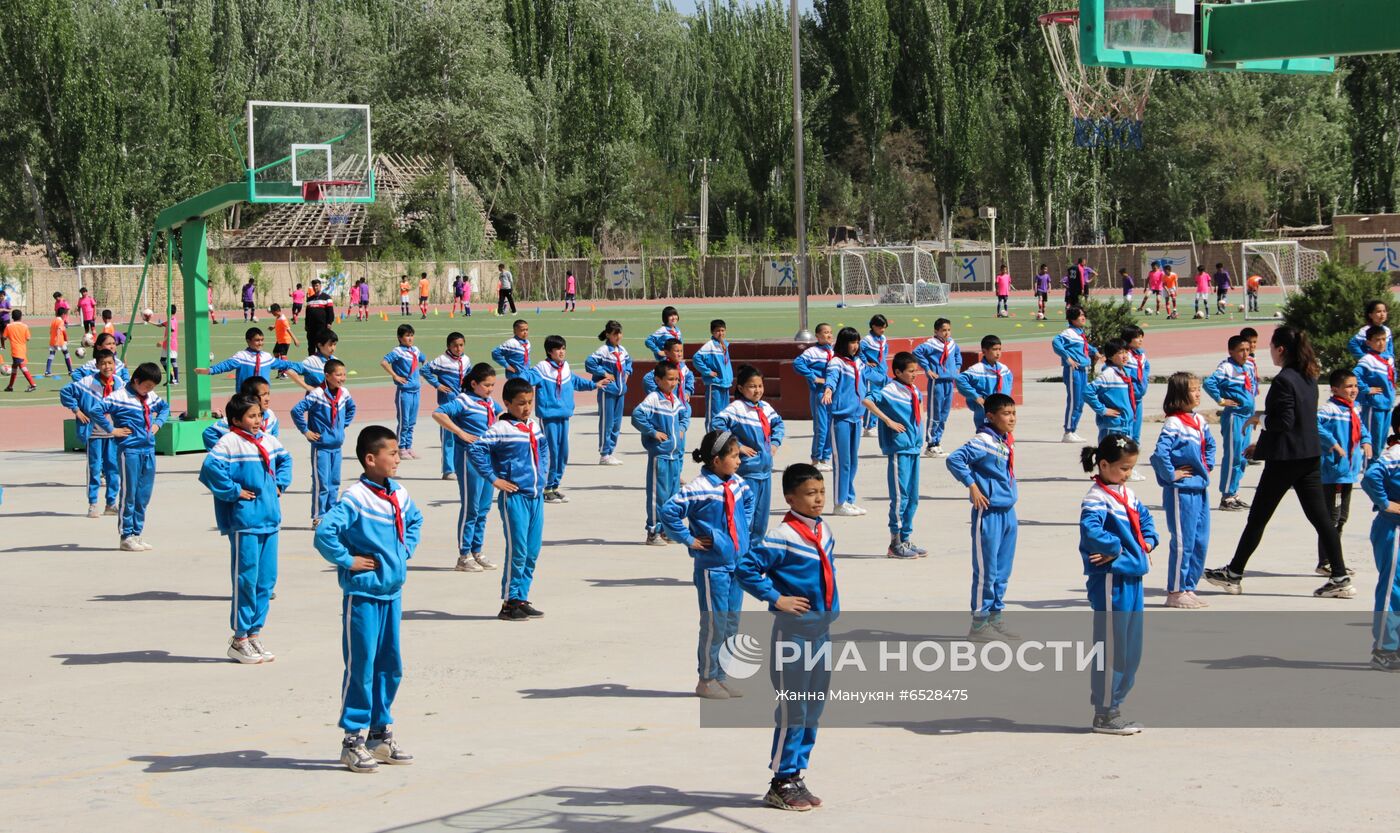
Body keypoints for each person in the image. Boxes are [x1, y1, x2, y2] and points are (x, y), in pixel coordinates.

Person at [1204, 327, 1358, 599]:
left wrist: (1260, 420)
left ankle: (1234, 574)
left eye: (1272, 347)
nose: (1269, 352)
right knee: (1322, 520)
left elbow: (1283, 422)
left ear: (1281, 350)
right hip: (1309, 456)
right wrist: (1261, 428)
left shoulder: (1284, 380)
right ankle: (1340, 577)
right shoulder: (1308, 376)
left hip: (1286, 460)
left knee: (1258, 518)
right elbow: (1297, 417)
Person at [314, 425, 422, 773]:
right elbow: (325, 532)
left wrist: (404, 551)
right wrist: (347, 560)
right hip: (362, 595)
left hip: (392, 593)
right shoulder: (356, 497)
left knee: (390, 665)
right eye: (391, 453)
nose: (396, 458)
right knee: (361, 666)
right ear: (370, 459)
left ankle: (379, 735)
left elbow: (416, 519)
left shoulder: (400, 494)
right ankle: (352, 740)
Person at [735, 463, 837, 812]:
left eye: (821, 492)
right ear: (790, 497)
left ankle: (796, 773)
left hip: (821, 632)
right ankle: (779, 780)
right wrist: (775, 598)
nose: (818, 499)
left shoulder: (824, 532)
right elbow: (745, 568)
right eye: (810, 494)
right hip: (794, 636)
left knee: (813, 708)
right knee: (794, 708)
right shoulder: (782, 536)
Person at [200, 392, 292, 665]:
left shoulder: (267, 439)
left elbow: (286, 460)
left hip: (269, 518)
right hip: (245, 521)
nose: (257, 420)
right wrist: (233, 491)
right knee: (246, 578)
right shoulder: (230, 442)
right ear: (236, 419)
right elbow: (210, 469)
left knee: (266, 580)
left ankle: (254, 632)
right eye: (251, 416)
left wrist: (280, 484)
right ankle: (239, 638)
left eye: (259, 415)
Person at [661, 430, 755, 700]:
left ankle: (721, 677)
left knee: (732, 624)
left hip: (737, 565)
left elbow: (749, 501)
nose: (739, 461)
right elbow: (669, 512)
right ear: (716, 460)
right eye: (734, 456)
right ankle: (706, 679)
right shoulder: (698, 487)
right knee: (715, 623)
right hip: (713, 568)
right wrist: (689, 539)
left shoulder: (737, 483)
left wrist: (743, 530)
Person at [1079, 433, 1157, 735]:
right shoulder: (1096, 499)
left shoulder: (1126, 494)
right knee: (1112, 646)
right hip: (1113, 580)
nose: (1128, 474)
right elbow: (1091, 532)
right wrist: (1117, 549)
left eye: (1130, 468)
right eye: (1123, 468)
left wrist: (1147, 543)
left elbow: (1146, 521)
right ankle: (1105, 712)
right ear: (1104, 464)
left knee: (1131, 648)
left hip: (1133, 576)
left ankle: (1117, 704)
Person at [468, 377, 549, 621]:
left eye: (530, 402)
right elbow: (476, 450)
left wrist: (542, 475)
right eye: (521, 403)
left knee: (532, 551)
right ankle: (509, 602)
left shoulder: (533, 426)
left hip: (535, 497)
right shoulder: (501, 429)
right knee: (518, 550)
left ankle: (522, 597)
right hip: (515, 497)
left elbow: (543, 450)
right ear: (507, 403)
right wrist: (494, 479)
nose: (526, 407)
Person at [946, 392, 1018, 639]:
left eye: (1013, 413)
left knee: (1002, 570)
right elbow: (955, 459)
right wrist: (972, 485)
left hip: (1008, 511)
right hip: (988, 513)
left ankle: (995, 616)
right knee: (986, 570)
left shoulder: (1004, 439)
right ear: (990, 416)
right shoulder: (982, 440)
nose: (1012, 418)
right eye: (1006, 414)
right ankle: (978, 622)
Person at [77, 362, 169, 550]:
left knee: (144, 495)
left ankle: (137, 533)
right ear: (136, 381)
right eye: (147, 386)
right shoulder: (119, 397)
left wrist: (158, 423)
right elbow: (96, 410)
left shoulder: (150, 396)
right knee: (130, 493)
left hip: (148, 450)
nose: (149, 390)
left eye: (152, 387)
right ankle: (126, 535)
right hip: (130, 451)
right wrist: (112, 430)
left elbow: (165, 407)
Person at [1151, 372, 1216, 609]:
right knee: (1183, 541)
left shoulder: (1199, 421)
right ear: (1180, 395)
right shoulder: (1174, 423)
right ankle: (1176, 590)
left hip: (1199, 487)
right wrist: (1171, 475)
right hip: (1181, 491)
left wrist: (1206, 467)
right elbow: (1160, 454)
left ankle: (1189, 587)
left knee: (1200, 540)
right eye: (1193, 390)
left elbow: (1210, 445)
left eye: (1199, 389)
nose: (1198, 394)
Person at [432, 362, 503, 572]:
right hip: (469, 457)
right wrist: (460, 433)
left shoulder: (489, 402)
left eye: (493, 385)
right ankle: (463, 556)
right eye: (487, 385)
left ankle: (477, 551)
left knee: (484, 507)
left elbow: (499, 414)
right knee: (471, 507)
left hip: (487, 458)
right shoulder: (464, 400)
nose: (490, 389)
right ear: (474, 383)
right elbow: (439, 413)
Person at [523, 336, 610, 503]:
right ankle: (545, 487)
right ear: (550, 351)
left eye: (563, 348)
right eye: (558, 349)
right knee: (550, 452)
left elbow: (576, 382)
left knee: (563, 453)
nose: (562, 351)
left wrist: (594, 385)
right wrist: (521, 368)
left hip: (564, 416)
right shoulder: (542, 368)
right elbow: (527, 379)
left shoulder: (566, 367)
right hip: (549, 418)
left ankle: (554, 486)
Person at [863, 352, 926, 559]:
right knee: (900, 497)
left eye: (915, 370)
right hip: (900, 449)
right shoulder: (890, 390)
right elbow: (868, 400)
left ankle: (906, 538)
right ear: (898, 372)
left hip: (914, 447)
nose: (914, 374)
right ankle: (895, 542)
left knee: (913, 497)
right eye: (910, 371)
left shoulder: (913, 389)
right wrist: (887, 420)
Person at [712, 364, 785, 542]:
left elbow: (779, 425)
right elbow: (717, 423)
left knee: (761, 522)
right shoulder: (737, 408)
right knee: (746, 519)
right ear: (740, 388)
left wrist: (774, 443)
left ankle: (753, 559)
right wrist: (737, 446)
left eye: (760, 386)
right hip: (748, 471)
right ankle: (740, 556)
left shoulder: (765, 407)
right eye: (752, 386)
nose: (757, 390)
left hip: (765, 472)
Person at [59, 349, 122, 518]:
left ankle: (111, 503)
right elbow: (65, 392)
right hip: (94, 433)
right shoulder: (87, 382)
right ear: (97, 365)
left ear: (114, 365)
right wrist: (77, 410)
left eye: (110, 363)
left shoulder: (119, 383)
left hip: (113, 434)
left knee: (113, 469)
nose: (107, 366)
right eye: (103, 363)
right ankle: (93, 504)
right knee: (94, 469)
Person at [292, 358, 356, 524]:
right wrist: (306, 431)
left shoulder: (344, 393)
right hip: (321, 447)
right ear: (327, 376)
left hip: (337, 447)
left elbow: (352, 408)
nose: (342, 378)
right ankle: (318, 516)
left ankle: (332, 514)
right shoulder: (317, 394)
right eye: (338, 375)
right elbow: (296, 411)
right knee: (322, 483)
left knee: (335, 482)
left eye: (344, 374)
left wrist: (342, 426)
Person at [1319, 369, 1369, 577]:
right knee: (1332, 518)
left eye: (1355, 386)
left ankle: (1334, 559)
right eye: (1349, 386)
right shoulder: (1329, 409)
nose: (1354, 390)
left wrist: (1366, 441)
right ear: (1335, 389)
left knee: (1341, 518)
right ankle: (1327, 561)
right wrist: (1333, 444)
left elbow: (1362, 428)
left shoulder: (1354, 408)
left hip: (1348, 472)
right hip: (1334, 473)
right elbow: (1316, 426)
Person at [633, 363, 690, 545]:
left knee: (673, 495)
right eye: (670, 379)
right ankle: (653, 531)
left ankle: (667, 531)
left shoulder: (674, 399)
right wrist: (652, 432)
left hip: (674, 456)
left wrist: (682, 428)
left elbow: (685, 415)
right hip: (661, 455)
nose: (674, 383)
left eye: (677, 379)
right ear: (658, 380)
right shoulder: (653, 399)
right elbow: (637, 415)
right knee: (658, 495)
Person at [1360, 415, 1400, 671]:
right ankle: (1384, 649)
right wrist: (1386, 504)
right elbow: (1371, 477)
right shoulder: (1396, 453)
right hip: (1393, 529)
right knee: (1391, 589)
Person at [1203, 335, 1258, 511]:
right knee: (1233, 456)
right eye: (1241, 350)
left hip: (1246, 417)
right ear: (1231, 351)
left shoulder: (1248, 366)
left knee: (1243, 457)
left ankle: (1234, 492)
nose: (1245, 353)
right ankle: (1226, 496)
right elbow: (1209, 383)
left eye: (1248, 350)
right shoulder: (1226, 367)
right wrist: (1221, 400)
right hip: (1235, 416)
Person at [823, 327, 865, 516]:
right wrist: (828, 390)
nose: (855, 346)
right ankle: (839, 503)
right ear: (843, 343)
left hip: (857, 417)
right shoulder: (836, 362)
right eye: (851, 342)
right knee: (842, 462)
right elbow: (831, 379)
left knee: (853, 461)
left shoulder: (859, 363)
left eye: (857, 342)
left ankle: (849, 499)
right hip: (841, 418)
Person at [423, 332, 470, 480]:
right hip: (447, 404)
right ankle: (448, 469)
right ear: (448, 346)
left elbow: (469, 374)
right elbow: (425, 370)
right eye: (455, 345)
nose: (458, 348)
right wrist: (438, 385)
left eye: (461, 345)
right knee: (448, 437)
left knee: (461, 435)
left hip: (461, 404)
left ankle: (460, 466)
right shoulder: (442, 360)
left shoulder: (466, 359)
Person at [585, 320, 632, 466]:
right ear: (608, 335)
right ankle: (604, 453)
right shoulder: (603, 350)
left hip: (620, 391)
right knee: (607, 422)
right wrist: (603, 373)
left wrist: (628, 372)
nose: (618, 336)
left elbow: (629, 362)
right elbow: (589, 363)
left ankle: (610, 452)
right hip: (608, 391)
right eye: (614, 334)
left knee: (617, 423)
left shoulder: (622, 350)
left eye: (620, 333)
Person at [913, 318, 961, 457]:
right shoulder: (931, 344)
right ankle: (931, 444)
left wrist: (957, 367)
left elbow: (957, 354)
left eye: (948, 330)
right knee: (935, 413)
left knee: (944, 414)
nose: (947, 333)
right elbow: (917, 352)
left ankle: (938, 441)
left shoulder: (951, 343)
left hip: (949, 380)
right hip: (937, 381)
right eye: (943, 330)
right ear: (936, 331)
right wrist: (927, 368)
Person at [197, 327, 301, 390]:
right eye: (257, 340)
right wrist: (210, 370)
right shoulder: (241, 356)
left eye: (262, 340)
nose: (260, 343)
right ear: (248, 341)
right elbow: (226, 365)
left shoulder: (266, 357)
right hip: (245, 398)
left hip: (261, 397)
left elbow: (283, 364)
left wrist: (303, 365)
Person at [380, 324, 428, 459]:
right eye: (407, 336)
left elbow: (425, 360)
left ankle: (409, 446)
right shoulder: (397, 351)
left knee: (412, 421)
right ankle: (401, 447)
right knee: (404, 421)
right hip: (404, 391)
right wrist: (395, 376)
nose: (410, 338)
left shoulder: (416, 350)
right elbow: (384, 362)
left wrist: (422, 375)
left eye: (412, 335)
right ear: (400, 338)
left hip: (416, 390)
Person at [1052, 306, 1097, 443]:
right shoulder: (1068, 333)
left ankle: (1073, 429)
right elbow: (1056, 343)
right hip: (1074, 370)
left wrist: (1095, 352)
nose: (1083, 318)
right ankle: (1068, 431)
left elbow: (1085, 347)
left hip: (1083, 369)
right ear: (1072, 319)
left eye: (1084, 315)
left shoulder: (1079, 334)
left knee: (1081, 400)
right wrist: (1067, 358)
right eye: (1080, 315)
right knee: (1074, 400)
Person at [794, 324, 835, 469]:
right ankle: (816, 459)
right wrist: (813, 377)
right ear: (817, 336)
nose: (829, 335)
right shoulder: (812, 352)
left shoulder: (834, 350)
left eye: (830, 332)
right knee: (821, 427)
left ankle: (825, 458)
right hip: (820, 393)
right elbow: (797, 363)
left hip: (833, 392)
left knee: (831, 426)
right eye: (825, 333)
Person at [1354, 325, 1396, 464]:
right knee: (1372, 441)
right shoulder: (1368, 360)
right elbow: (1355, 375)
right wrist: (1366, 389)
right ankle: (1368, 473)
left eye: (1384, 339)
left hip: (1387, 405)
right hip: (1374, 405)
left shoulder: (1388, 358)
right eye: (1377, 340)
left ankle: (1373, 471)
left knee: (1381, 443)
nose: (1381, 343)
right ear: (1368, 343)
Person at [203, 375, 281, 449]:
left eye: (268, 394)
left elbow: (274, 439)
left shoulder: (271, 416)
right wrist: (227, 454)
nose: (268, 398)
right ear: (250, 396)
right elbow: (209, 433)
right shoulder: (236, 418)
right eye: (263, 395)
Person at [955, 334, 1014, 432]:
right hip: (984, 411)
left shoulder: (1004, 369)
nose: (998, 353)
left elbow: (1009, 383)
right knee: (985, 434)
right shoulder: (978, 369)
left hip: (1001, 409)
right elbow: (960, 380)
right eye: (994, 349)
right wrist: (975, 396)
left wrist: (1005, 401)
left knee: (1003, 435)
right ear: (984, 351)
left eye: (999, 349)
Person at [1086, 339, 1138, 447]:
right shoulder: (1108, 374)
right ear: (1110, 356)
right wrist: (1102, 410)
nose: (1124, 356)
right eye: (1120, 353)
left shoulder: (1125, 373)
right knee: (1111, 458)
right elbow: (1087, 392)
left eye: (1125, 352)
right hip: (1113, 427)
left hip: (1125, 426)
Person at [692, 319, 733, 432]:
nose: (721, 333)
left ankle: (722, 439)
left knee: (724, 414)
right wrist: (707, 372)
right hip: (714, 384)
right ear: (712, 332)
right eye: (717, 331)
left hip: (725, 384)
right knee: (714, 414)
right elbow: (696, 358)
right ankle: (711, 440)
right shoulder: (709, 345)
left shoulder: (725, 345)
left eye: (723, 330)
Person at [859, 315, 890, 436]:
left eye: (884, 328)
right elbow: (858, 351)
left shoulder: (883, 339)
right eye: (881, 327)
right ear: (873, 326)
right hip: (872, 374)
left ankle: (874, 423)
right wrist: (865, 362)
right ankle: (868, 426)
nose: (883, 330)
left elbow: (885, 352)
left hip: (882, 372)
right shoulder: (867, 340)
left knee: (879, 399)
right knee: (871, 398)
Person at [1123, 326, 1149, 451]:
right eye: (1137, 338)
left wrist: (1144, 383)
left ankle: (1135, 448)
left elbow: (1146, 369)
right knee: (1128, 425)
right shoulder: (1125, 355)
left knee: (1137, 427)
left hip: (1138, 397)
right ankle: (1126, 450)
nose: (1140, 340)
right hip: (1128, 397)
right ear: (1128, 340)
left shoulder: (1142, 355)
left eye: (1141, 337)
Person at [3, 309, 37, 392]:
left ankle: (33, 384)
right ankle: (10, 386)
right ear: (21, 317)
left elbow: (4, 337)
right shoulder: (25, 326)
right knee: (14, 367)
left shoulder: (9, 326)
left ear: (12, 317)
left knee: (22, 367)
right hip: (22, 350)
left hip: (15, 350)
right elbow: (28, 338)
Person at [303, 278, 335, 355]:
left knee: (320, 345)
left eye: (317, 286)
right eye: (314, 286)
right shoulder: (310, 299)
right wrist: (306, 324)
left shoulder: (327, 297)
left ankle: (321, 362)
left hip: (322, 326)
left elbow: (330, 312)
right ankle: (311, 362)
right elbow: (307, 313)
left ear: (320, 286)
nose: (315, 287)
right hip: (311, 327)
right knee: (311, 346)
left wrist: (329, 322)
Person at [154, 304, 180, 384]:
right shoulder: (169, 320)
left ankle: (176, 379)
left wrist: (162, 342)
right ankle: (171, 377)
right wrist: (148, 321)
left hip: (171, 345)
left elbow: (170, 334)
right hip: (166, 345)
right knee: (162, 360)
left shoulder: (172, 321)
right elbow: (160, 325)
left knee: (173, 361)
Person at [270, 303, 296, 378]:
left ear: (276, 311)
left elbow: (288, 330)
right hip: (280, 340)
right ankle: (280, 369)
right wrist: (273, 327)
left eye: (272, 312)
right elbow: (279, 325)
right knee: (275, 352)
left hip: (285, 340)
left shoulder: (283, 319)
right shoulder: (278, 317)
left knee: (283, 355)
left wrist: (295, 339)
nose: (271, 313)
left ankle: (284, 373)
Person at [44, 310, 72, 378]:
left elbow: (50, 331)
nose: (65, 316)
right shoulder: (61, 321)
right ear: (62, 314)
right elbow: (61, 330)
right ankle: (70, 370)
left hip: (52, 341)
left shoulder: (53, 321)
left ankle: (47, 371)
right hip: (60, 341)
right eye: (65, 315)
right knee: (66, 353)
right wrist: (64, 339)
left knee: (51, 355)